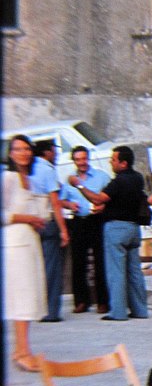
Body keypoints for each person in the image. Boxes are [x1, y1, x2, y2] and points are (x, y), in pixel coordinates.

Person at [69, 145, 148, 322]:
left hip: (116, 229)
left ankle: (118, 311)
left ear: (123, 163)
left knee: (116, 272)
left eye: (113, 160)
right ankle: (140, 309)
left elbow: (97, 198)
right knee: (134, 271)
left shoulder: (118, 181)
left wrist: (79, 185)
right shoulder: (137, 178)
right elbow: (123, 200)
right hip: (134, 228)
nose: (111, 163)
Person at [3, 135, 48, 372]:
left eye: (26, 149)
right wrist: (27, 218)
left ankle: (21, 349)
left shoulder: (28, 180)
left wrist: (36, 220)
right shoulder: (8, 179)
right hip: (15, 245)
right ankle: (22, 351)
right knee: (22, 295)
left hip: (28, 241)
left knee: (30, 294)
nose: (23, 153)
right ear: (10, 153)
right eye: (18, 149)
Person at [60, 145, 111, 314]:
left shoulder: (101, 176)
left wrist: (103, 207)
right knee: (78, 262)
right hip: (78, 221)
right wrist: (69, 204)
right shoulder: (69, 181)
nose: (82, 162)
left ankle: (102, 301)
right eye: (78, 159)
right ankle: (81, 301)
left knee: (100, 261)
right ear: (73, 161)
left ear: (88, 159)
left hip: (96, 221)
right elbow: (61, 201)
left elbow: (110, 198)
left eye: (84, 158)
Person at [31, 139, 70, 322]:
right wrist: (63, 229)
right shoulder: (48, 170)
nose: (55, 154)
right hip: (47, 222)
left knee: (36, 268)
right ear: (47, 152)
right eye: (54, 151)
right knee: (52, 269)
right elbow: (54, 203)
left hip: (30, 223)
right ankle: (51, 311)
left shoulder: (27, 169)